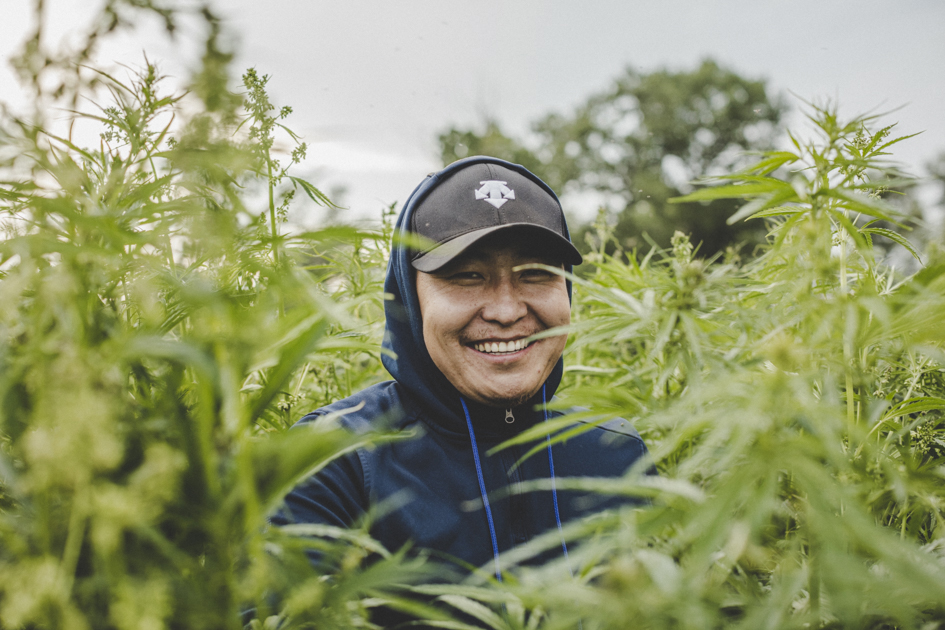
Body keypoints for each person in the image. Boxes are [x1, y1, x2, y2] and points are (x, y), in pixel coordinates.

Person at [272, 156, 650, 609]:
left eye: (536, 274)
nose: (506, 311)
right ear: (410, 300)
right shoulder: (332, 463)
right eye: (467, 276)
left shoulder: (616, 457)